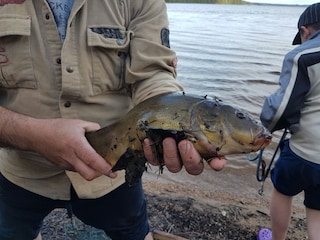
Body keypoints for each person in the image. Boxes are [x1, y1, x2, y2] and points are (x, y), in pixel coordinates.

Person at [0, 1, 227, 240]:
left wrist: (170, 125)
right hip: (20, 170)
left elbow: (152, 74)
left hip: (114, 172)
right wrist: (33, 136)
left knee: (134, 233)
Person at [260, 3, 320, 240]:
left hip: (303, 151)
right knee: (316, 210)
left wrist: (262, 129)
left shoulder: (302, 56)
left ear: (305, 31)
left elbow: (281, 108)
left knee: (282, 192)